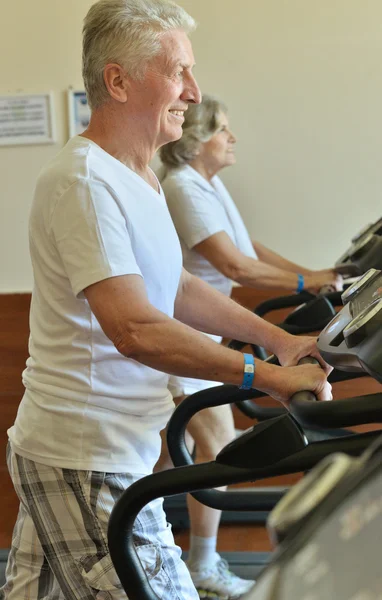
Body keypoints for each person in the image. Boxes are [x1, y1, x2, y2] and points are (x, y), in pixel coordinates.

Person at [0, 3, 332, 600]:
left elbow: (175, 289)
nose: (194, 90)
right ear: (118, 81)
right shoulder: (84, 182)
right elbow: (134, 327)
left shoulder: (139, 176)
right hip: (86, 455)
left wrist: (278, 339)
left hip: (93, 447)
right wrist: (263, 375)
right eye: (178, 72)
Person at [157, 94, 342, 597]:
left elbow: (249, 248)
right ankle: (201, 562)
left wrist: (312, 276)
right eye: (221, 129)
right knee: (213, 438)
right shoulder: (181, 187)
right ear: (194, 140)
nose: (232, 138)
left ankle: (125, 531)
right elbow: (234, 267)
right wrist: (309, 282)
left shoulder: (207, 185)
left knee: (168, 458)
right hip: (181, 332)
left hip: (202, 330)